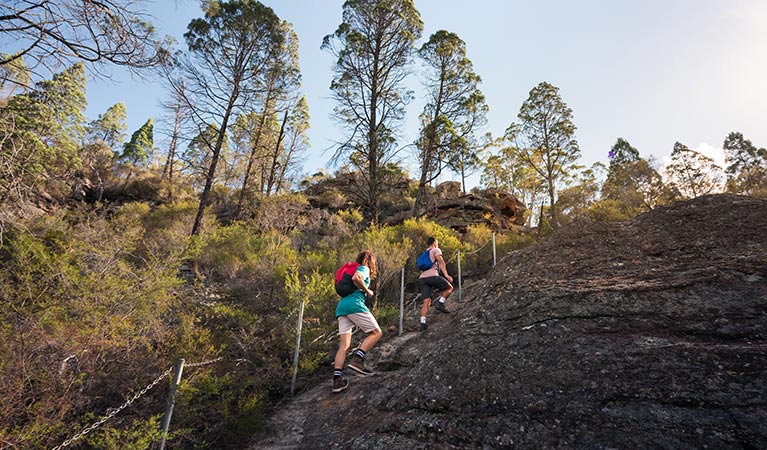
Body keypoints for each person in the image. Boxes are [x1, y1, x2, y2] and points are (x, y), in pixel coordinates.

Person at [332, 250, 383, 393]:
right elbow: (356, 278)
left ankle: (337, 381)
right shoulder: (363, 268)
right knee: (376, 333)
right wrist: (368, 291)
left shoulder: (353, 267)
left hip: (342, 307)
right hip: (355, 305)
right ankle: (357, 360)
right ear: (370, 261)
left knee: (344, 345)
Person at [418, 237, 454, 332]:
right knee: (449, 288)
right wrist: (446, 275)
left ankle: (423, 323)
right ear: (434, 242)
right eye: (437, 242)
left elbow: (421, 269)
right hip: (432, 276)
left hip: (422, 279)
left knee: (426, 302)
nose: (437, 243)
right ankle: (440, 303)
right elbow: (441, 262)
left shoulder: (424, 254)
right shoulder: (435, 250)